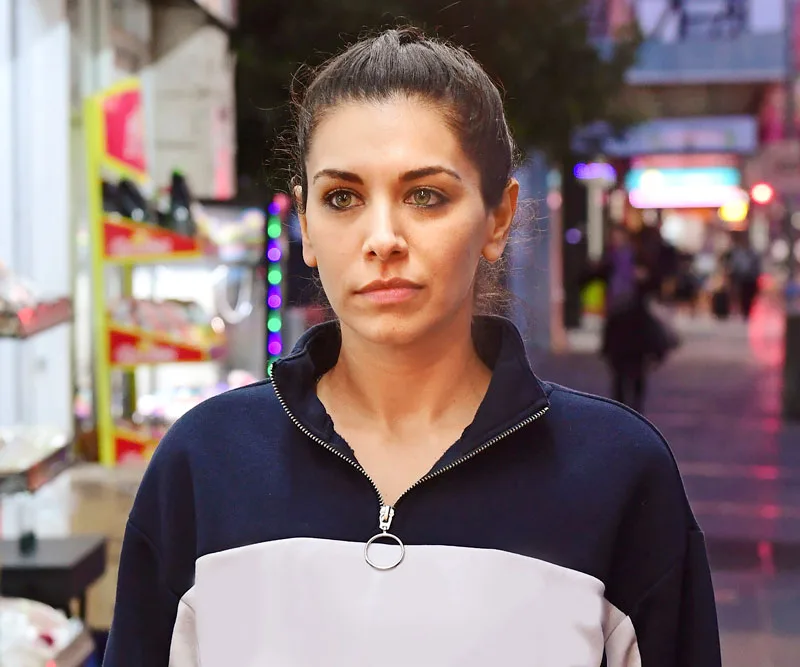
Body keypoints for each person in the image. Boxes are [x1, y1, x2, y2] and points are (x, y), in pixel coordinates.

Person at [104, 27, 720, 667]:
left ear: (498, 218)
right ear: (306, 227)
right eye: (342, 198)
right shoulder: (205, 465)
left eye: (425, 195)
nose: (382, 238)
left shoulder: (615, 473)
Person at [584, 226, 677, 413]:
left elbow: (657, 284)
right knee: (618, 372)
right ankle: (621, 411)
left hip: (636, 326)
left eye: (619, 237)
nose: (616, 241)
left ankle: (635, 411)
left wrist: (644, 278)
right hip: (617, 325)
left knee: (637, 372)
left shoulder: (640, 260)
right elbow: (587, 278)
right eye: (613, 237)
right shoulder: (610, 262)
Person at [726, 233, 761, 320]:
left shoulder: (752, 253)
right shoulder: (738, 252)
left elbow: (757, 266)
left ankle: (748, 311)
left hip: (751, 278)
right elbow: (735, 265)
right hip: (741, 278)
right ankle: (743, 311)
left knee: (749, 296)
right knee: (742, 295)